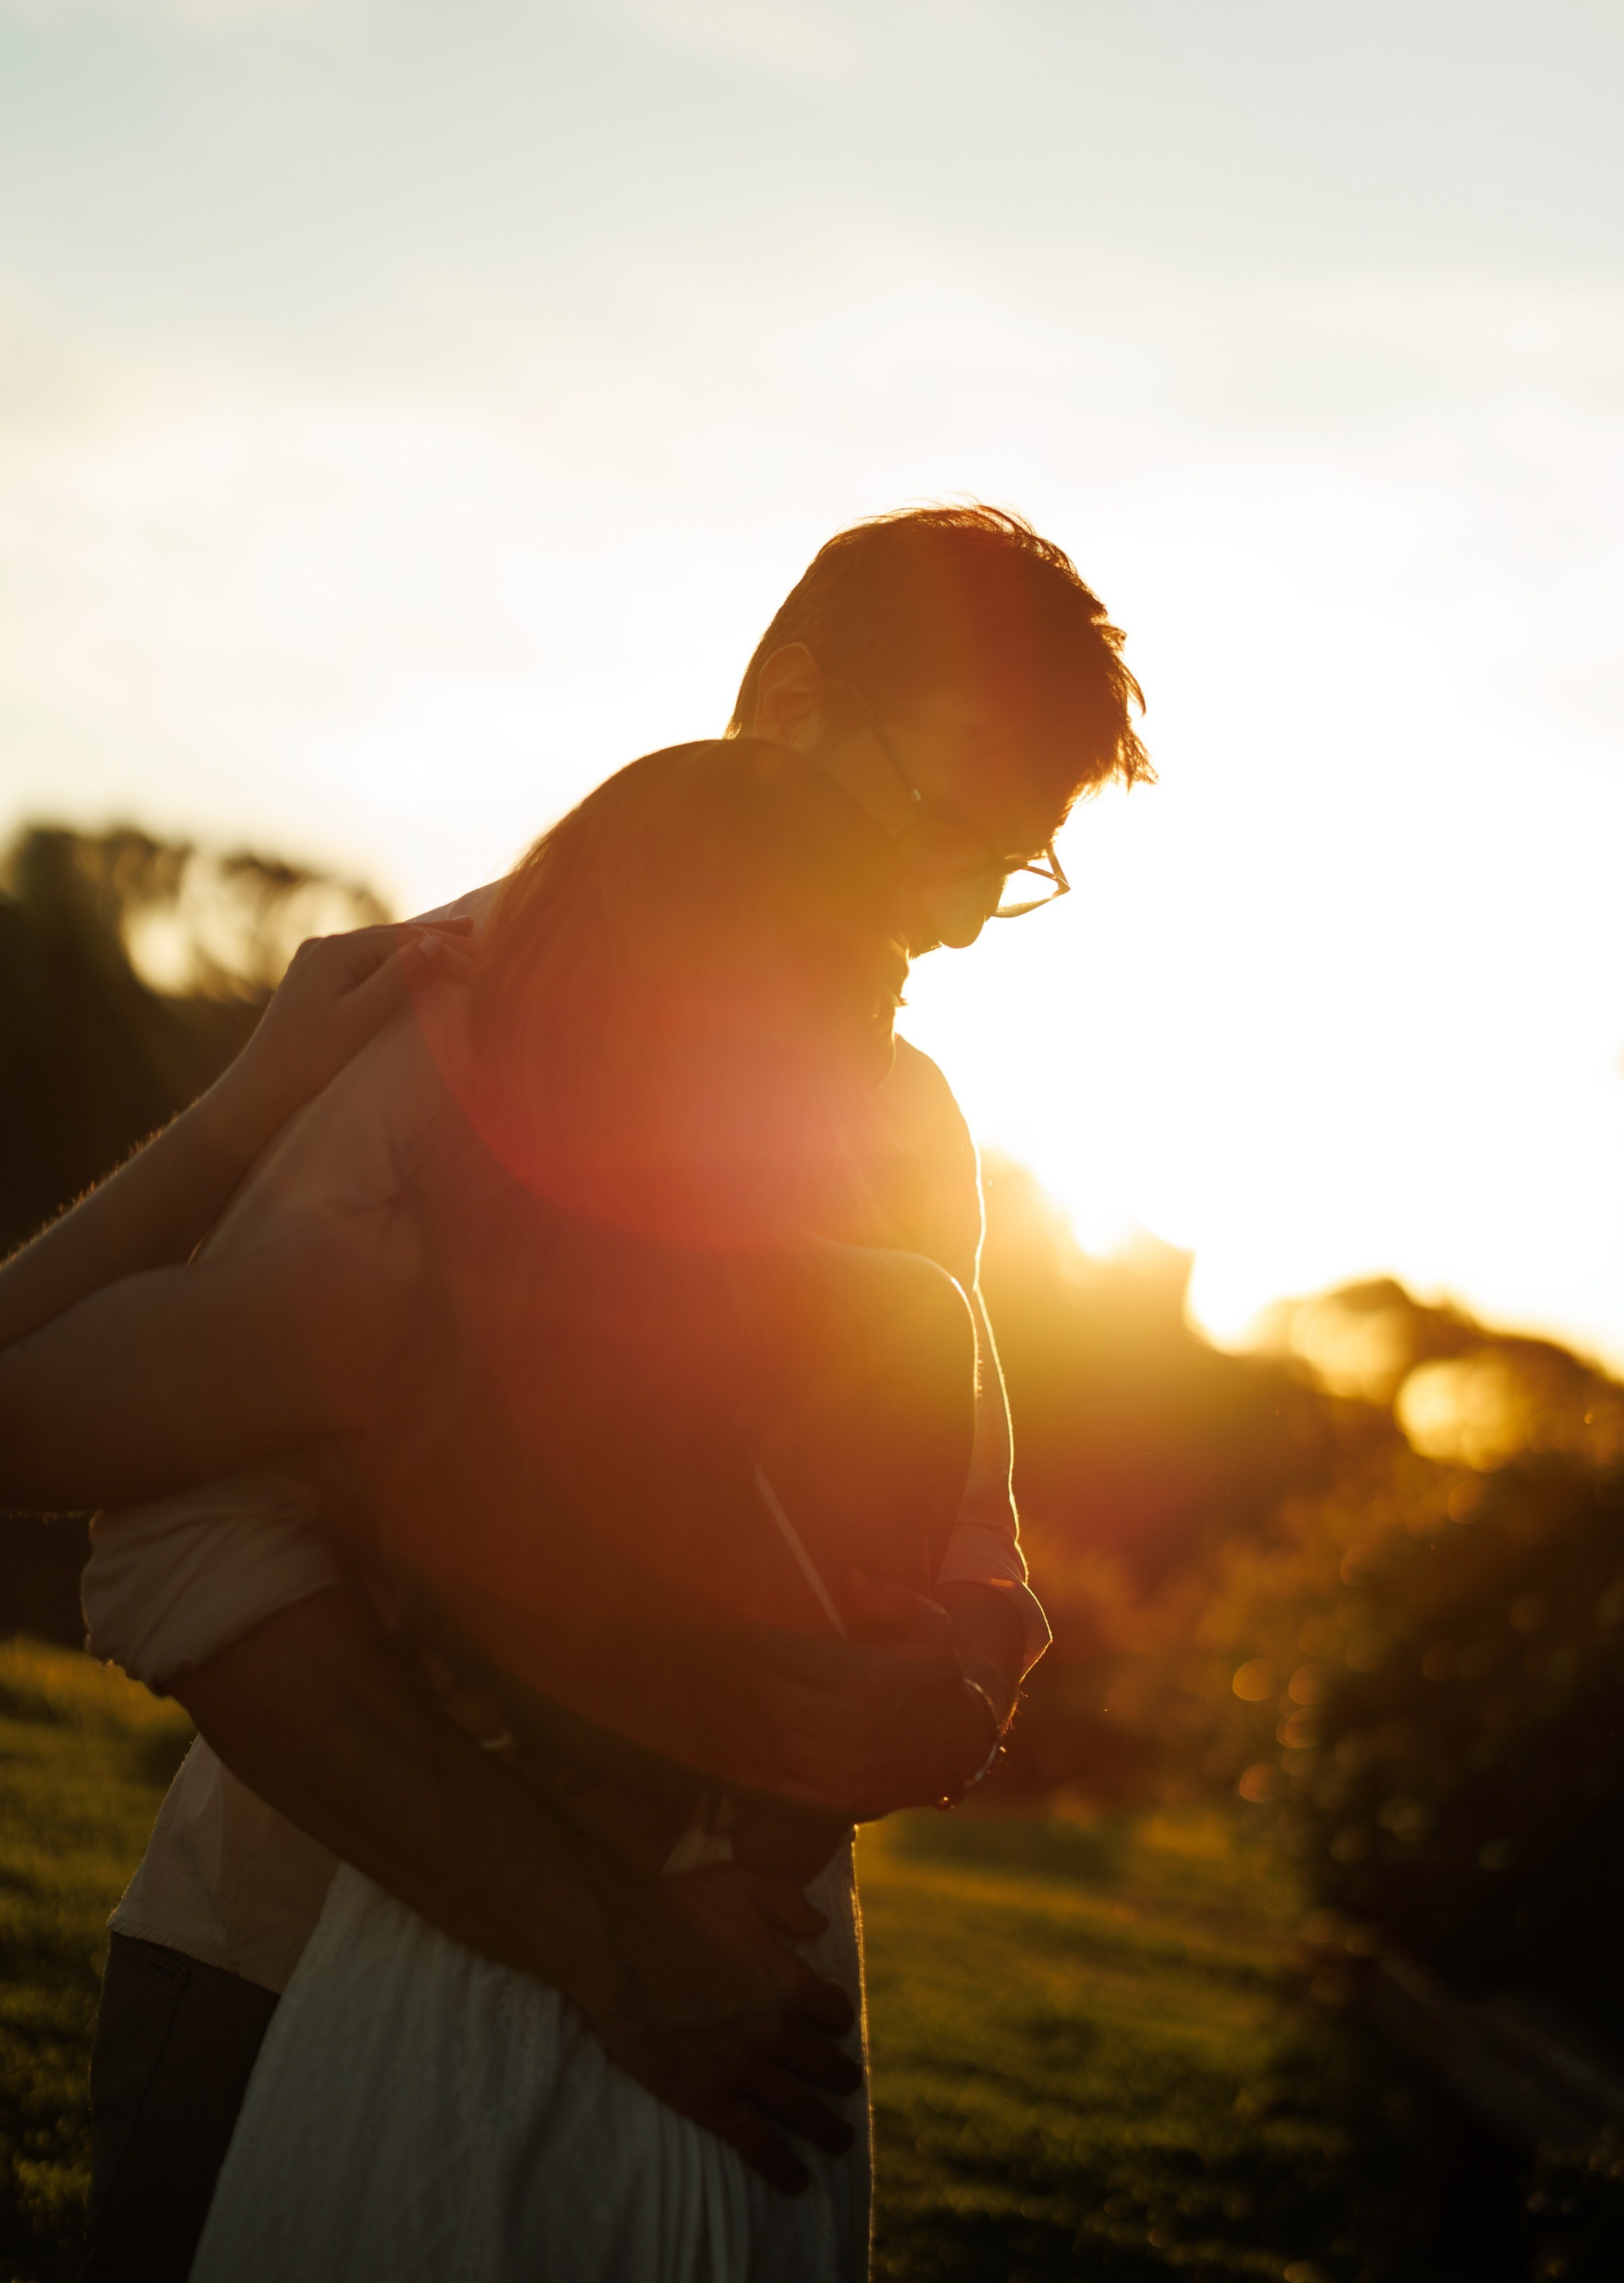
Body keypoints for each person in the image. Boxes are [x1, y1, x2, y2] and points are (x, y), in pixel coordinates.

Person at [59, 502, 1150, 2274]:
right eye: (950, 824)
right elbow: (191, 1554)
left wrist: (952, 1685)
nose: (958, 923)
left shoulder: (910, 1123)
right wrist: (616, 1941)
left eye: (1011, 869)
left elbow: (958, 1547)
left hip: (752, 2030)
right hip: (297, 1978)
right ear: (791, 707)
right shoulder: (437, 1025)